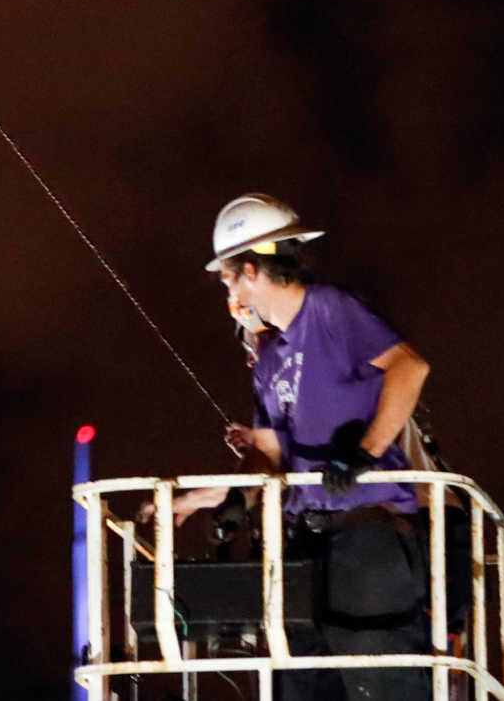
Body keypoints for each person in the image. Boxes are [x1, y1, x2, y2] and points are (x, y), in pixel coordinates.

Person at [171, 193, 433, 701]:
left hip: (366, 535)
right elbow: (267, 453)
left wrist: (365, 452)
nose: (228, 291)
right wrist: (235, 501)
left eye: (227, 278)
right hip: (303, 548)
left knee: (381, 675)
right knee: (300, 684)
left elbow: (409, 367)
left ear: (250, 270)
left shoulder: (330, 310)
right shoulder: (270, 359)